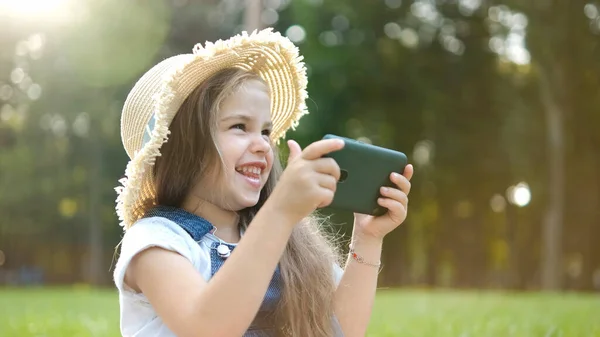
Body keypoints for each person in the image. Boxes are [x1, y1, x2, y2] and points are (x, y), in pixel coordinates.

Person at [112, 28, 413, 337]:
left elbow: (341, 330)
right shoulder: (155, 241)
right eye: (240, 126)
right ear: (183, 148)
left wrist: (367, 238)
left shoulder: (288, 242)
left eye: (266, 132)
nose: (262, 145)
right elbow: (206, 327)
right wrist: (281, 212)